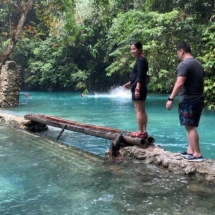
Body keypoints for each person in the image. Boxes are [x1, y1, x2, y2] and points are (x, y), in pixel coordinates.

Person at [166, 42, 204, 162]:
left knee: (190, 126)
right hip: (198, 98)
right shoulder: (198, 64)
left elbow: (180, 83)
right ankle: (190, 151)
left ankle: (197, 154)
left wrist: (170, 99)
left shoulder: (184, 64)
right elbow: (202, 83)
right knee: (189, 126)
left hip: (189, 99)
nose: (178, 55)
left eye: (178, 53)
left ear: (181, 51)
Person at [124, 41, 149, 139]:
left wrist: (137, 89)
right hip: (140, 87)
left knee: (139, 110)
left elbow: (141, 76)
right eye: (131, 49)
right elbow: (138, 75)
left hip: (139, 88)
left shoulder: (141, 60)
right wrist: (129, 83)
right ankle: (143, 132)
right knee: (142, 110)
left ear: (140, 49)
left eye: (134, 49)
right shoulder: (141, 59)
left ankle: (140, 132)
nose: (132, 51)